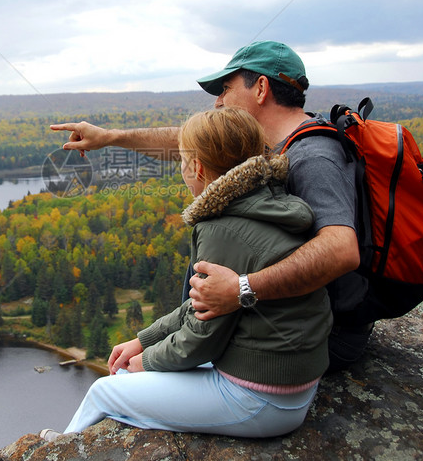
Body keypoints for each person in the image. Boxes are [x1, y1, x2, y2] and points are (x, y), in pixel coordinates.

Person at [50, 41, 370, 372]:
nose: (218, 101)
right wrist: (109, 137)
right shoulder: (273, 143)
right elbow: (192, 141)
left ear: (260, 88)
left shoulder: (314, 156)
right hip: (268, 326)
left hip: (311, 342)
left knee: (136, 383)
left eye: (226, 89)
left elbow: (341, 250)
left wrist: (241, 290)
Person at [44, 107, 331, 440]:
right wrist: (144, 340)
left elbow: (202, 339)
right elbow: (204, 304)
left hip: (261, 398)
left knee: (106, 390)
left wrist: (145, 362)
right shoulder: (270, 200)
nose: (181, 169)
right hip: (291, 382)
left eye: (181, 160)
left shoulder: (222, 228)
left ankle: (59, 448)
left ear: (197, 168)